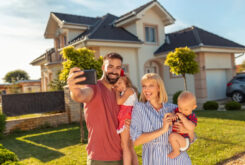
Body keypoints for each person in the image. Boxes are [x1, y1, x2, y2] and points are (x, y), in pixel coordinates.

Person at [67, 52, 125, 165]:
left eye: (118, 68)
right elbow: (81, 95)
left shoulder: (118, 92)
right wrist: (74, 90)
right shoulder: (94, 87)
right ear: (103, 67)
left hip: (121, 156)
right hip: (99, 159)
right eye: (110, 66)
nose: (114, 71)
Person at [130, 73, 192, 165]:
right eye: (144, 86)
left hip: (179, 161)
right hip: (154, 160)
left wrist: (187, 131)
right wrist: (163, 130)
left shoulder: (173, 108)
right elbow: (135, 141)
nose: (146, 89)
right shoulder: (139, 108)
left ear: (159, 88)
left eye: (151, 85)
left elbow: (190, 140)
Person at [114, 70, 138, 165]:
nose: (118, 87)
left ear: (125, 79)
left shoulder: (129, 90)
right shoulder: (125, 91)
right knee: (130, 146)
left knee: (125, 145)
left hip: (127, 117)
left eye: (119, 83)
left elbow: (119, 102)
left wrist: (115, 91)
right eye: (116, 86)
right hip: (127, 116)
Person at [168, 91, 197, 159]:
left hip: (185, 140)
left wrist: (183, 118)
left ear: (194, 107)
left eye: (186, 109)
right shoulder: (177, 111)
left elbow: (191, 127)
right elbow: (173, 113)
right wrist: (172, 115)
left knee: (172, 136)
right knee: (172, 136)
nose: (182, 111)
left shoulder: (192, 116)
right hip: (178, 138)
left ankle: (176, 151)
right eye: (180, 108)